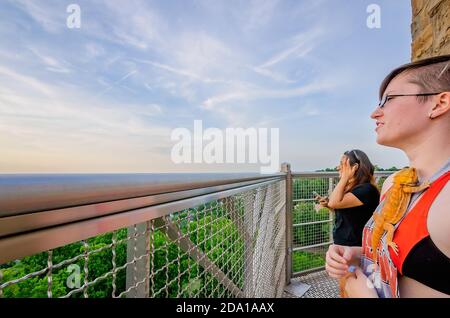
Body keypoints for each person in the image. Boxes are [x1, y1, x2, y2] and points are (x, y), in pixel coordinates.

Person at [325, 54, 450, 298]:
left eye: (388, 100)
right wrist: (358, 252)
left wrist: (362, 294)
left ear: (439, 103)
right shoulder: (395, 182)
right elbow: (394, 251)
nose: (374, 113)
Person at [316, 150, 380, 247]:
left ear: (354, 167)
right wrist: (328, 205)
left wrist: (344, 177)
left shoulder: (366, 190)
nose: (338, 167)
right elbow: (348, 213)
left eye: (342, 164)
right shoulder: (354, 188)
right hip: (344, 246)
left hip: (355, 249)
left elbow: (334, 203)